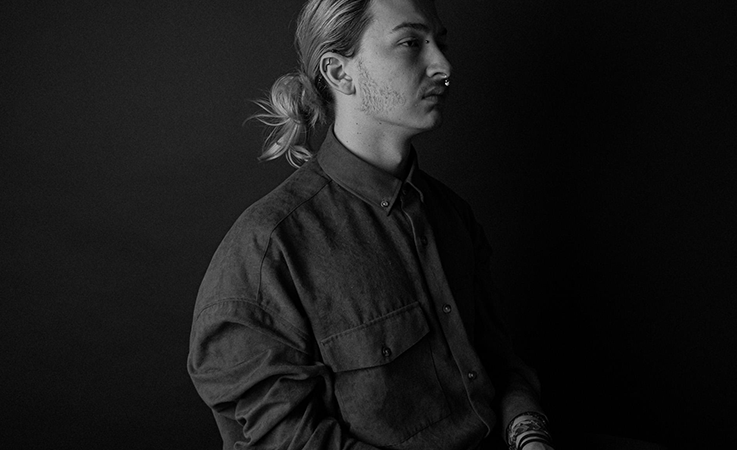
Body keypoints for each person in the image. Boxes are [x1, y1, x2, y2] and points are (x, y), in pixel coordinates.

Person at [187, 1, 553, 449]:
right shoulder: (268, 251)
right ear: (341, 74)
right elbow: (287, 440)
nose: (443, 64)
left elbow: (501, 362)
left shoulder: (451, 215)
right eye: (410, 43)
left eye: (440, 41)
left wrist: (530, 436)